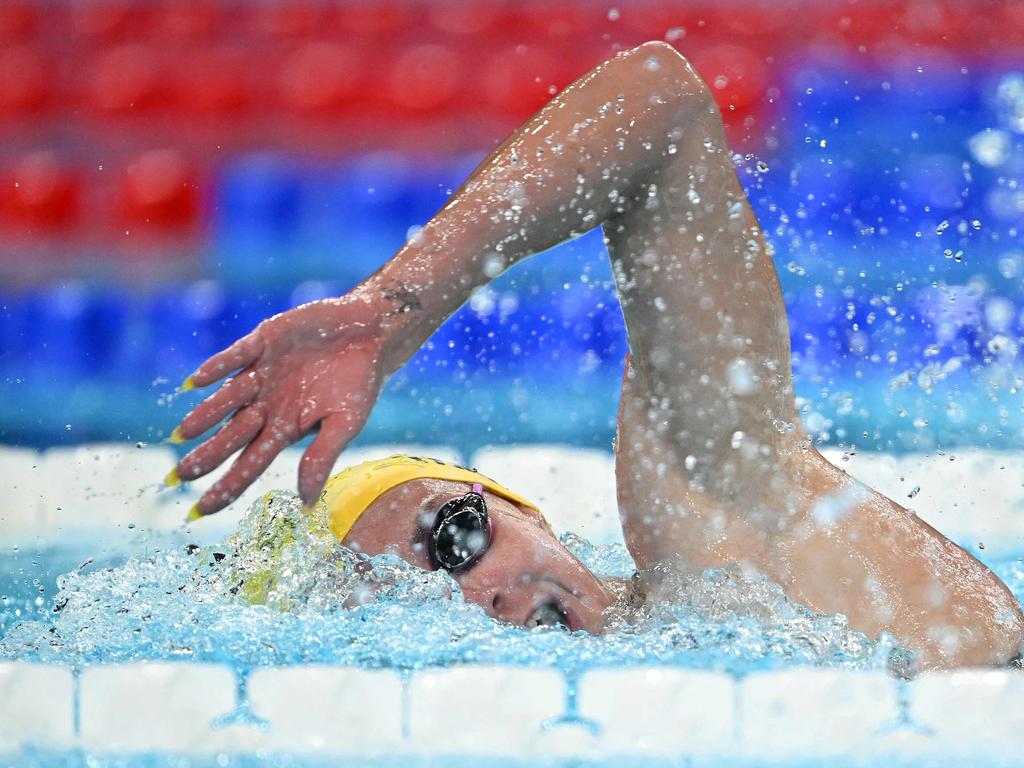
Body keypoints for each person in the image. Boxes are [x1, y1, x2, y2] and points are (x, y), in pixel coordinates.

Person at [166, 41, 1023, 670]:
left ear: (524, 512)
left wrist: (392, 312)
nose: (482, 600)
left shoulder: (715, 534)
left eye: (457, 540)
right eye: (416, 605)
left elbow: (663, 105)